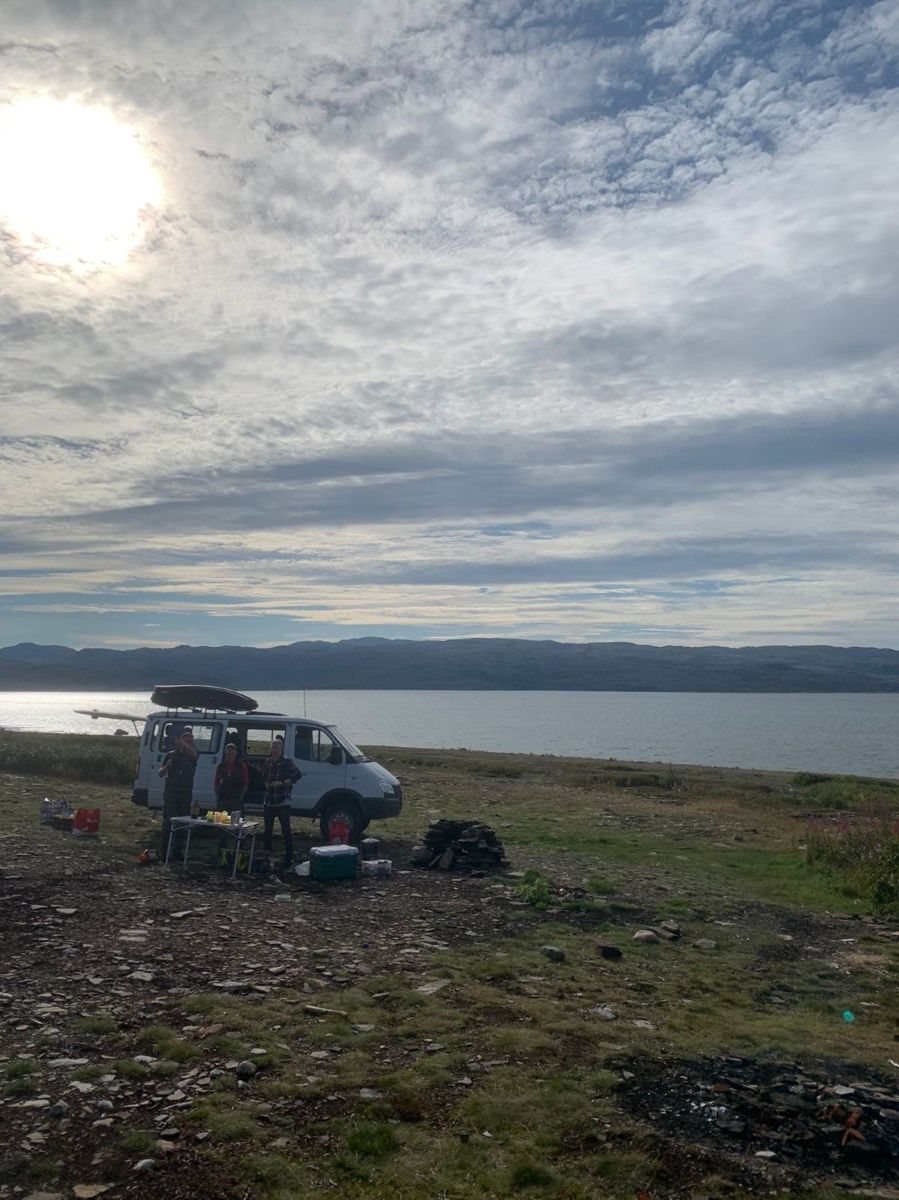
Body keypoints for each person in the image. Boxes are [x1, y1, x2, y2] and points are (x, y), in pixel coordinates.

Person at [261, 735, 301, 868]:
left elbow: (298, 774)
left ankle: (289, 857)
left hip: (282, 801)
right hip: (269, 800)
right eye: (273, 747)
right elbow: (263, 775)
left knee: (286, 830)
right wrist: (266, 783)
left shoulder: (287, 762)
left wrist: (284, 782)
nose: (274, 750)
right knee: (267, 830)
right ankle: (267, 857)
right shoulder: (268, 761)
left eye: (277, 747)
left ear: (281, 749)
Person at [159, 728, 198, 855]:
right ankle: (164, 850)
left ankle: (177, 851)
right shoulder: (171, 754)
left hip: (185, 792)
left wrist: (184, 745)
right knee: (168, 820)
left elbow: (194, 755)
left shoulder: (192, 755)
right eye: (186, 741)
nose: (188, 744)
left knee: (183, 821)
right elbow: (161, 773)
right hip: (171, 791)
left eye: (190, 742)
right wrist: (167, 766)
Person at [214, 742, 248, 819]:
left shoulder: (241, 766)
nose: (229, 755)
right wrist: (218, 796)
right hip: (223, 798)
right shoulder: (221, 766)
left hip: (236, 799)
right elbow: (216, 783)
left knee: (236, 821)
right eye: (227, 753)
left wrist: (240, 797)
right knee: (220, 821)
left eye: (231, 753)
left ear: (235, 753)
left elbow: (245, 783)